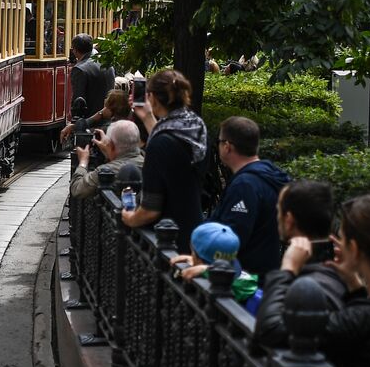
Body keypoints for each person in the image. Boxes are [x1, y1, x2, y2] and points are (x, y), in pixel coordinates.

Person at [253, 181, 350, 349]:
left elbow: (268, 332)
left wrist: (287, 269)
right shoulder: (343, 274)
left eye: (278, 211)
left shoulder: (305, 278)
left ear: (289, 220)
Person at [122, 69, 207, 252]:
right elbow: (169, 142)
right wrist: (147, 117)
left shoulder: (160, 143)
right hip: (193, 228)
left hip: (168, 240)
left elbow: (150, 210)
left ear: (151, 97)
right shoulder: (194, 125)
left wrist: (128, 217)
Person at [316, 195, 370, 367]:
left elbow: (275, 332)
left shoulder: (362, 318)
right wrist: (356, 288)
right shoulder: (367, 312)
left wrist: (288, 270)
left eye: (342, 239)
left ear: (353, 249)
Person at [207, 116, 290, 276]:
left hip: (241, 281)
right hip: (263, 273)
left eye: (219, 142)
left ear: (227, 146)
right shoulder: (270, 175)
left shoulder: (245, 186)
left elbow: (232, 238)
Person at [71, 120, 143, 201]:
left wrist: (83, 162)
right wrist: (109, 153)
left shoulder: (105, 171)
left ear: (111, 145)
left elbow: (77, 190)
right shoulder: (148, 162)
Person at [69, 34, 111, 116]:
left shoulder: (79, 69)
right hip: (108, 116)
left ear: (75, 50)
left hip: (90, 119)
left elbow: (78, 101)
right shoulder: (107, 63)